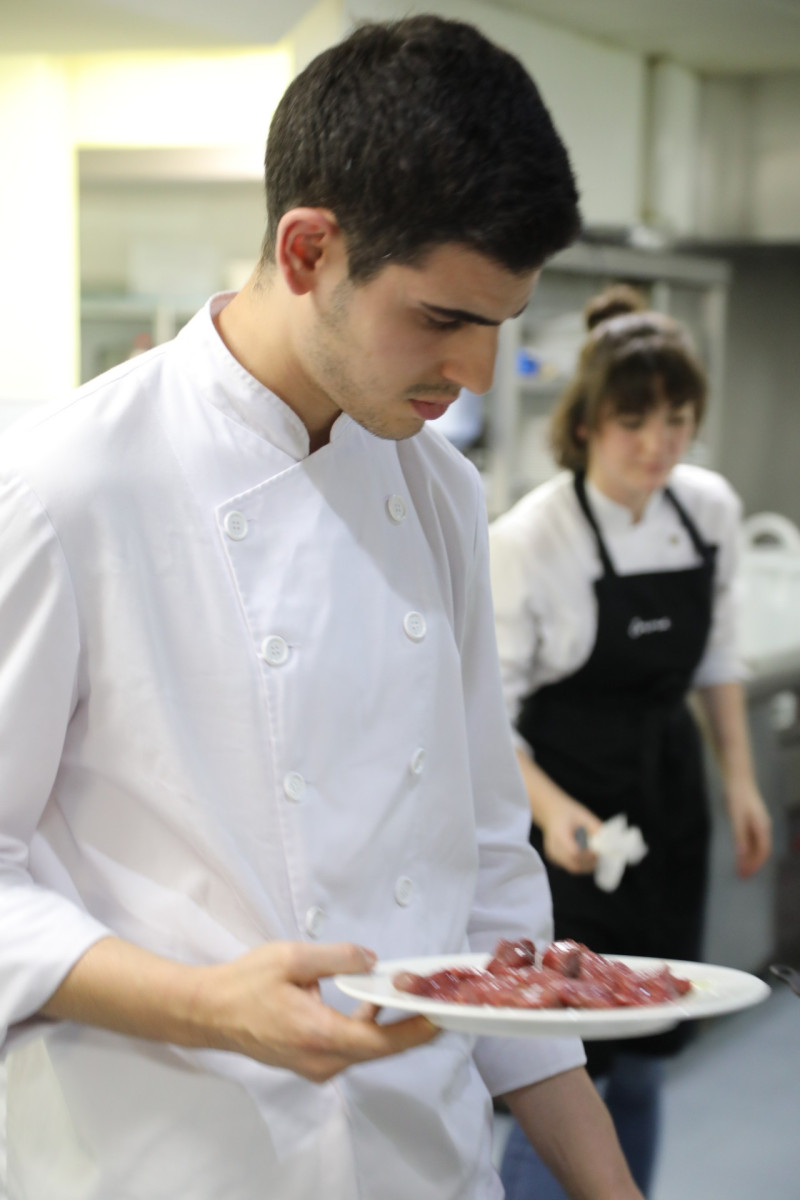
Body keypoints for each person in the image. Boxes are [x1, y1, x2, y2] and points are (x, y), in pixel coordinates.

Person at [0, 18, 646, 1200]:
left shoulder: (439, 492)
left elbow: (485, 873)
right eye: (442, 320)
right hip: (165, 1160)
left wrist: (611, 1187)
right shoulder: (63, 487)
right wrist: (205, 1005)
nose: (475, 374)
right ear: (307, 251)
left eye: (498, 325)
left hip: (425, 1159)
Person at [490, 286, 773, 1199]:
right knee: (565, 1066)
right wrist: (553, 813)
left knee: (648, 1053)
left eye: (677, 420)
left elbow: (716, 657)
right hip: (564, 815)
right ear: (585, 426)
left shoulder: (707, 509)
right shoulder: (534, 538)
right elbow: (484, 717)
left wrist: (739, 783)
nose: (659, 444)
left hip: (667, 801)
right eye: (633, 421)